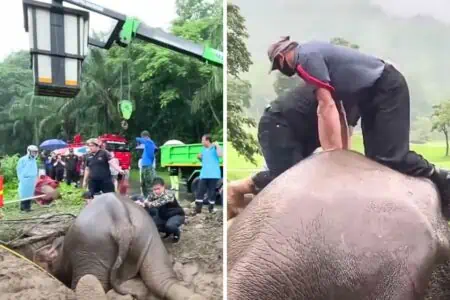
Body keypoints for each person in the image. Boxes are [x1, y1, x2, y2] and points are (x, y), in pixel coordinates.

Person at [266, 36, 450, 218]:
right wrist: (341, 154)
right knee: (375, 160)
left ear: (281, 58)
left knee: (393, 157)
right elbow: (338, 110)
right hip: (370, 96)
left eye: (278, 67)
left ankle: (442, 179)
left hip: (386, 88)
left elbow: (325, 107)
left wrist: (330, 155)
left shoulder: (304, 59)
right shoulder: (312, 53)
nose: (282, 71)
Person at [227, 84, 360, 218]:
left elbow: (346, 132)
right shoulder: (346, 89)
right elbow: (341, 128)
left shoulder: (356, 100)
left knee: (304, 179)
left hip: (303, 134)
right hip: (279, 123)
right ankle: (238, 188)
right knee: (289, 179)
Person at [136, 177, 185, 242]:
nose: (156, 191)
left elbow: (156, 203)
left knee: (170, 225)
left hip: (176, 215)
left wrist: (145, 204)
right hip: (163, 216)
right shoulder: (153, 194)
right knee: (152, 225)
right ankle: (168, 231)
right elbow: (146, 201)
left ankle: (176, 233)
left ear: (163, 186)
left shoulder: (169, 194)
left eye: (158, 189)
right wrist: (140, 203)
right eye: (154, 189)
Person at [195, 134, 222, 214]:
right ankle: (198, 209)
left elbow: (220, 155)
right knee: (200, 191)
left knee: (212, 192)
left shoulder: (215, 147)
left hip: (213, 175)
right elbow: (203, 160)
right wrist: (199, 158)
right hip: (204, 174)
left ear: (207, 140)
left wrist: (217, 145)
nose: (201, 142)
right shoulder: (203, 149)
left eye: (203, 140)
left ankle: (211, 209)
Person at [16, 145, 39, 212]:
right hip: (25, 179)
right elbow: (19, 169)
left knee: (30, 193)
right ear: (29, 151)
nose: (34, 153)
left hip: (32, 179)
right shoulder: (22, 159)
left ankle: (28, 207)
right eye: (33, 152)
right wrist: (21, 178)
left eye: (35, 152)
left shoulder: (34, 160)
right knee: (24, 194)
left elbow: (34, 169)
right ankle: (23, 208)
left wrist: (36, 177)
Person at [136, 131, 157, 197]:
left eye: (143, 137)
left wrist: (137, 139)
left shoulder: (149, 142)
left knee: (149, 185)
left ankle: (150, 199)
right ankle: (145, 199)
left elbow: (138, 139)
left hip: (147, 167)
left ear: (145, 137)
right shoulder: (148, 144)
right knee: (143, 184)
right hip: (145, 166)